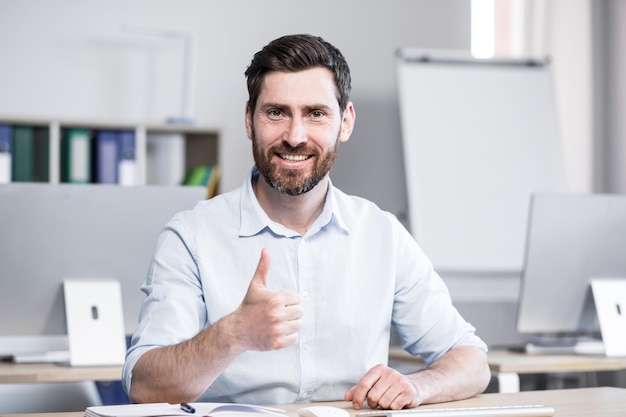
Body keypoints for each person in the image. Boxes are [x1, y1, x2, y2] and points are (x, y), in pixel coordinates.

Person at [122, 33, 490, 410]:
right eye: (276, 112)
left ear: (345, 122)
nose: (295, 137)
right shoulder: (191, 236)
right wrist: (231, 334)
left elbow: (471, 361)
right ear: (250, 120)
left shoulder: (381, 234)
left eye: (316, 113)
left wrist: (418, 386)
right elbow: (144, 386)